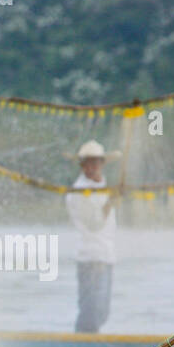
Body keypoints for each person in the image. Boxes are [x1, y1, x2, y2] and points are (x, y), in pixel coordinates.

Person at [63, 139, 119, 333]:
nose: (93, 167)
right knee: (91, 313)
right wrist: (111, 201)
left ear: (102, 164)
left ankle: (89, 342)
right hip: (91, 258)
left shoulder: (102, 186)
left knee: (103, 312)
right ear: (82, 165)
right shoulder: (79, 192)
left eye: (97, 162)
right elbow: (95, 224)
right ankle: (82, 346)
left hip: (106, 256)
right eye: (89, 162)